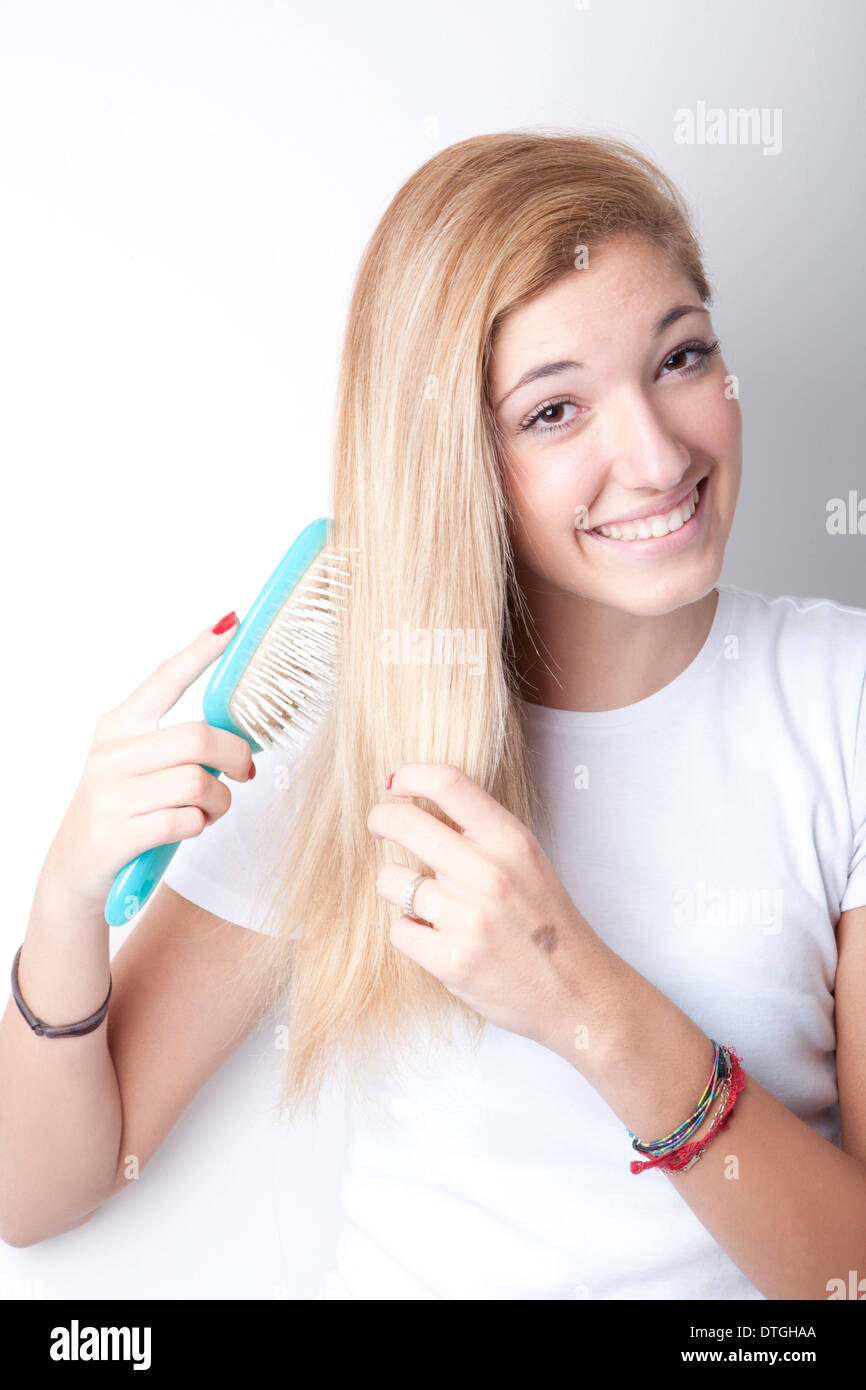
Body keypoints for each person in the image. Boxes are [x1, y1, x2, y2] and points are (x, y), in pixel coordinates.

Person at [2, 131, 865, 1301]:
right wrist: (63, 899)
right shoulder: (356, 737)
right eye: (553, 411)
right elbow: (38, 1195)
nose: (656, 456)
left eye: (680, 358)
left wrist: (583, 1003)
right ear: (453, 453)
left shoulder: (839, 697)